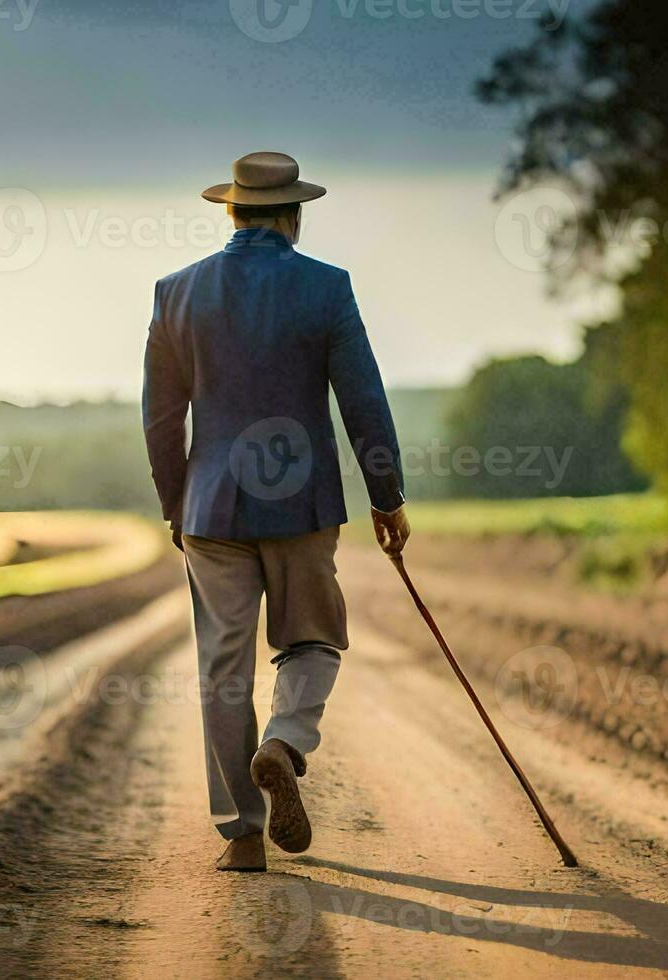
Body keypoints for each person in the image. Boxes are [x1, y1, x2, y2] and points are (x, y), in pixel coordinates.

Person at [142, 151, 410, 872]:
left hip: (211, 509)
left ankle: (242, 835)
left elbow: (162, 421)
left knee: (222, 668)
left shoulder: (176, 294)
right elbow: (364, 402)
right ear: (293, 216)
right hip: (303, 501)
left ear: (231, 211)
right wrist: (388, 497)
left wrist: (178, 502)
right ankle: (285, 741)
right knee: (313, 638)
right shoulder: (327, 288)